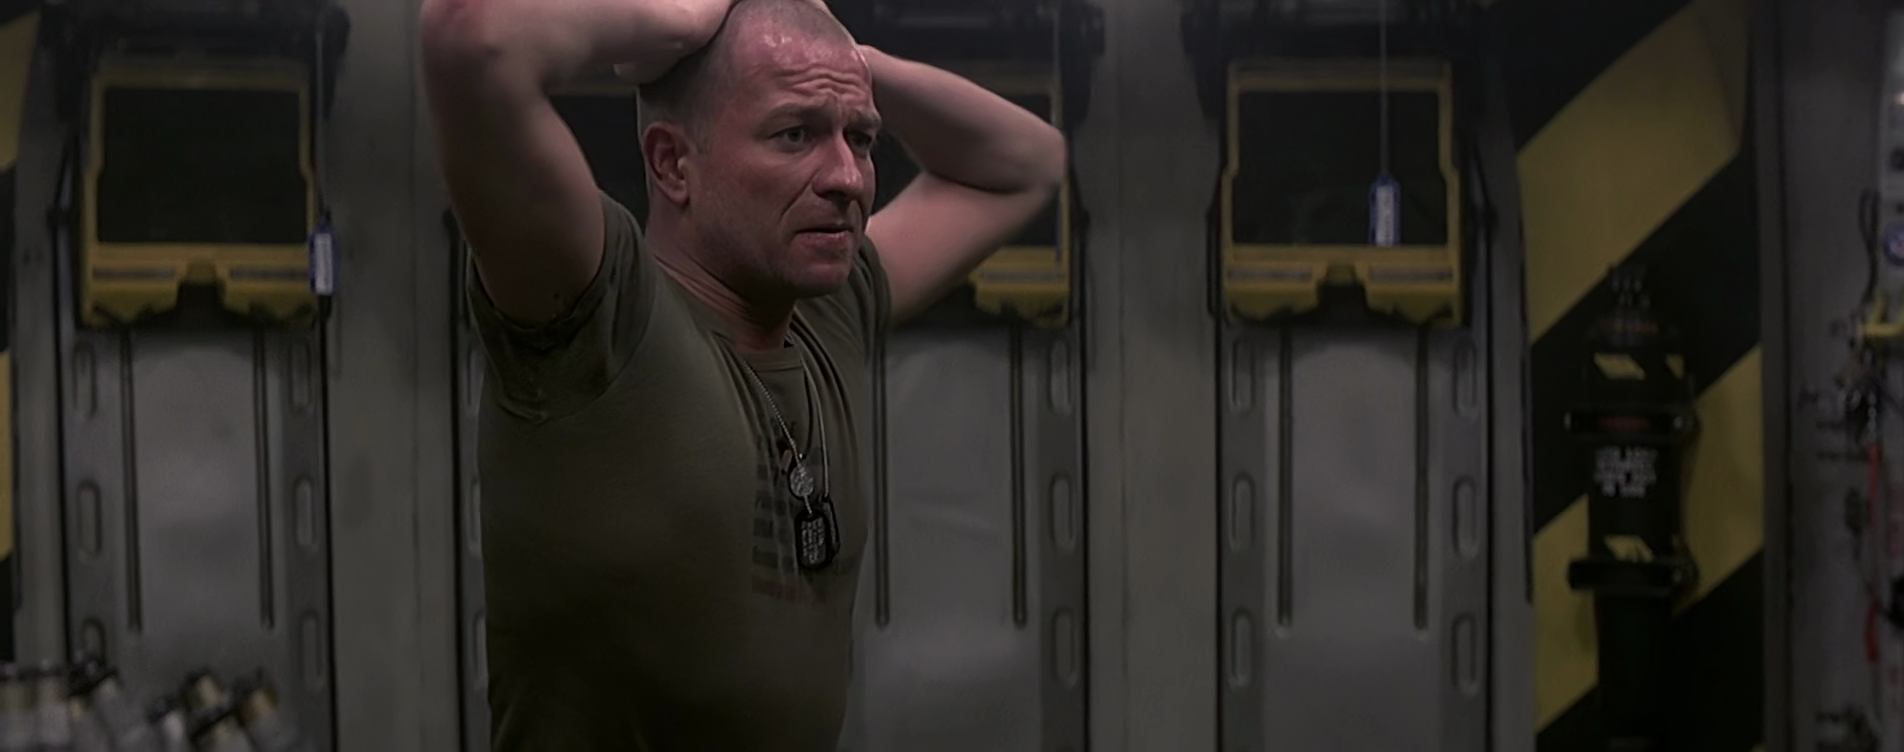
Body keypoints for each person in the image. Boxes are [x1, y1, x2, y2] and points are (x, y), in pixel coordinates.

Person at [417, 0, 1068, 748]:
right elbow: (470, 37)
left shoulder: (828, 312)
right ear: (673, 163)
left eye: (860, 138)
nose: (848, 178)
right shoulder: (601, 319)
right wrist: (688, 18)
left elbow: (1028, 163)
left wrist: (842, 59)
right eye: (795, 135)